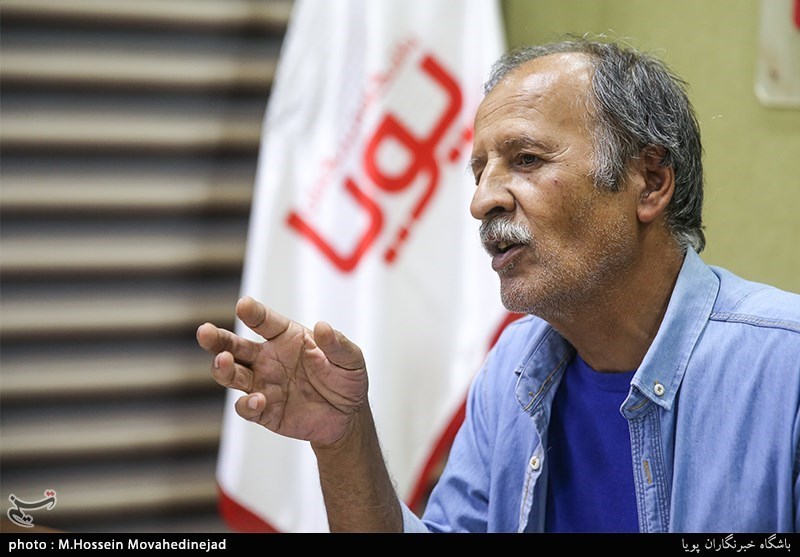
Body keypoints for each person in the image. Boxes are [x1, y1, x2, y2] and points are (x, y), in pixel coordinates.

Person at [196, 37, 800, 533]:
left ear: (649, 181)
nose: (483, 200)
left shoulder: (785, 367)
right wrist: (343, 440)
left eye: (526, 160)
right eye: (480, 170)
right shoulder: (513, 367)